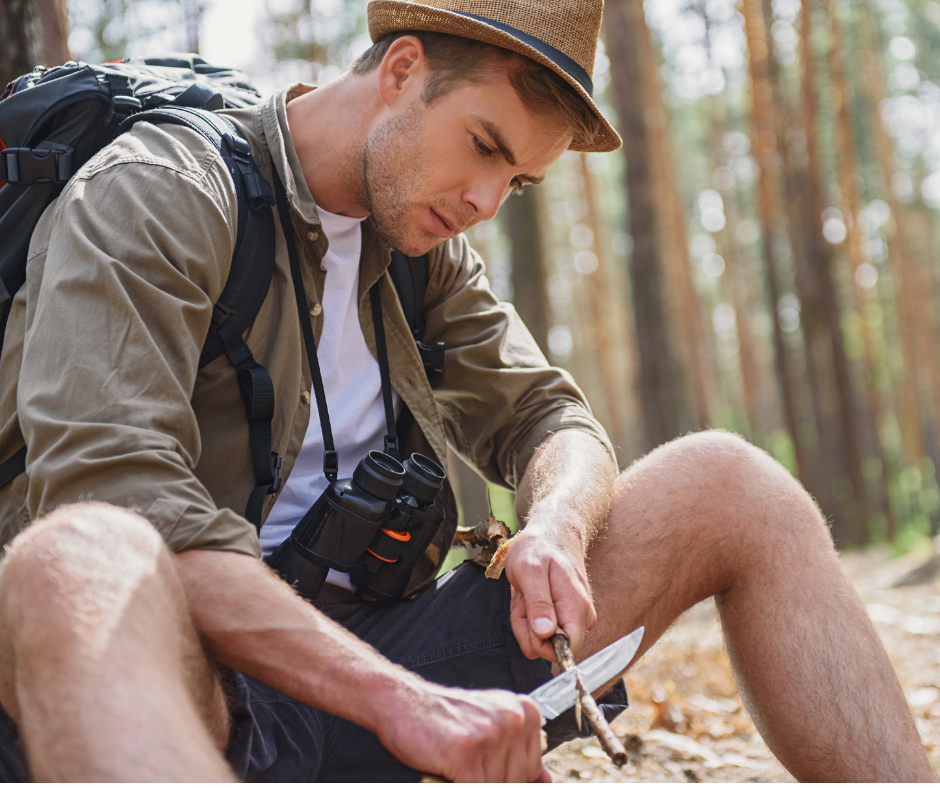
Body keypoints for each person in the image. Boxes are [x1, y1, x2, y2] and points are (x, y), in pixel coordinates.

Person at [0, 0, 934, 781]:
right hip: (189, 696)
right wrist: (399, 701)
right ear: (402, 70)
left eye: (516, 181)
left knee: (732, 483)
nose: (486, 200)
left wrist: (555, 530)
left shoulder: (421, 248)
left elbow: (549, 418)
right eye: (483, 146)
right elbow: (121, 502)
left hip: (388, 669)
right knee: (77, 559)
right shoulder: (160, 192)